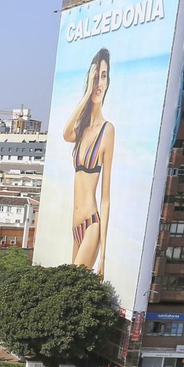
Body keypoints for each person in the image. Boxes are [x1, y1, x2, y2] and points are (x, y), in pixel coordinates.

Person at [63, 47, 114, 274]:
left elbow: (106, 198)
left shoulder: (107, 130)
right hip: (75, 225)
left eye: (103, 76)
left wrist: (104, 255)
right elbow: (65, 133)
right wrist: (86, 94)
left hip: (92, 223)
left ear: (108, 81)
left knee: (71, 283)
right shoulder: (81, 130)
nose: (99, 83)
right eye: (95, 77)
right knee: (71, 285)